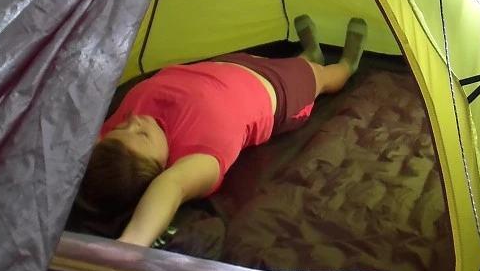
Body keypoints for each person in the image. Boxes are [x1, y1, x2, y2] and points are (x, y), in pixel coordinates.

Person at [79, 15, 368, 248]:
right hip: (282, 91)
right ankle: (346, 66)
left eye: (122, 126)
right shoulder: (197, 158)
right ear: (160, 167)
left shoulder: (114, 146)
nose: (133, 120)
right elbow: (172, 187)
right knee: (319, 76)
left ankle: (309, 54)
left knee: (287, 61)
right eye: (141, 135)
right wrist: (130, 245)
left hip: (231, 65)